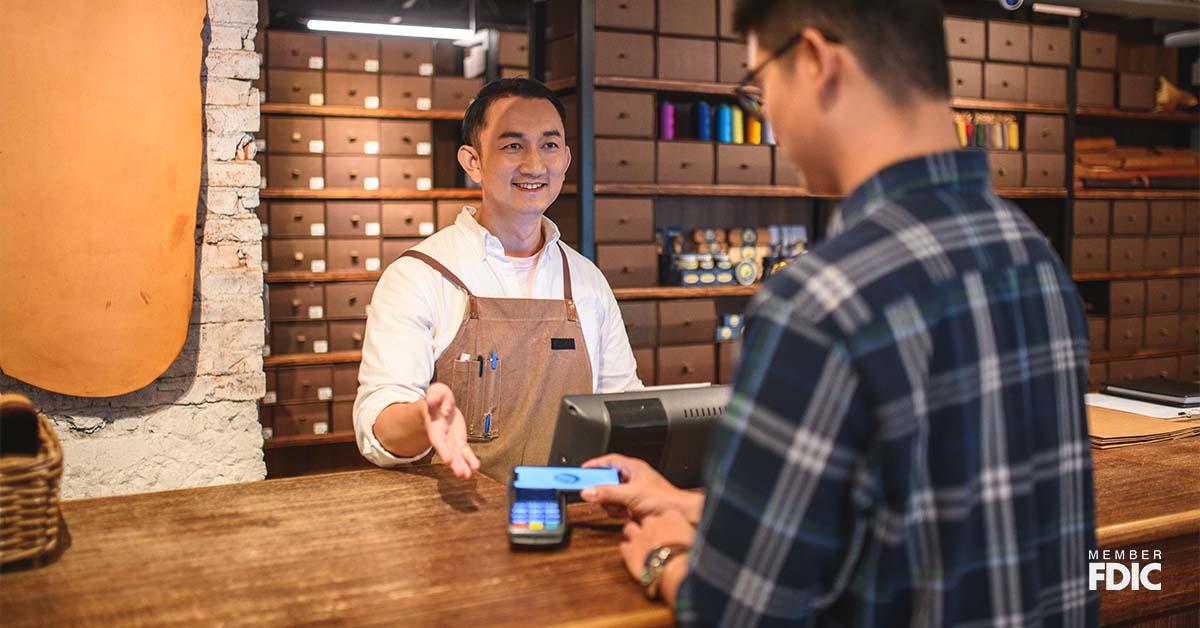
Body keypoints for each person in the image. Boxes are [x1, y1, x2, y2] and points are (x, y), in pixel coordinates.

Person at [582, 1, 1099, 625]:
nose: (767, 117)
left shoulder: (819, 303)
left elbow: (744, 614)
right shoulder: (1032, 260)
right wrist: (690, 505)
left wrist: (666, 561)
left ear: (816, 62)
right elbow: (929, 517)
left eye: (759, 86)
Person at [353, 78, 641, 481]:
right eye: (512, 146)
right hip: (455, 522)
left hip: (572, 517)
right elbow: (376, 424)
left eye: (549, 145)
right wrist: (424, 420)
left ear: (567, 159)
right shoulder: (419, 275)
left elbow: (622, 406)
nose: (535, 165)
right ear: (473, 162)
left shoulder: (587, 281)